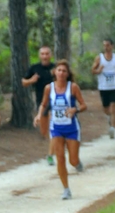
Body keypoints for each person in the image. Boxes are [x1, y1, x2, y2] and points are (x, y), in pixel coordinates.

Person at [34, 60, 87, 200]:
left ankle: (77, 163)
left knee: (72, 160)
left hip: (72, 128)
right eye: (59, 70)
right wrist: (39, 115)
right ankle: (66, 189)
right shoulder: (49, 88)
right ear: (54, 72)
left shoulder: (73, 87)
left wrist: (75, 109)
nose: (61, 73)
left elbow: (83, 105)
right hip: (56, 128)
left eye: (64, 71)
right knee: (60, 158)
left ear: (68, 74)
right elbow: (44, 104)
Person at [22, 46, 55, 165]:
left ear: (50, 55)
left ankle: (50, 155)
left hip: (56, 102)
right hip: (42, 102)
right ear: (39, 55)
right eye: (43, 54)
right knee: (44, 131)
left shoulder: (56, 68)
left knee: (53, 129)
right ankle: (52, 148)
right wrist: (32, 80)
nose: (45, 56)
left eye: (47, 54)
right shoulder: (34, 68)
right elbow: (24, 82)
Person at [91, 38, 115, 139]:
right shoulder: (99, 58)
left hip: (114, 87)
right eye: (104, 45)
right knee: (106, 110)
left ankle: (112, 129)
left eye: (108, 45)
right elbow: (93, 71)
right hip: (103, 87)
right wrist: (99, 70)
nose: (106, 47)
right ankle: (111, 117)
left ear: (112, 46)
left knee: (114, 107)